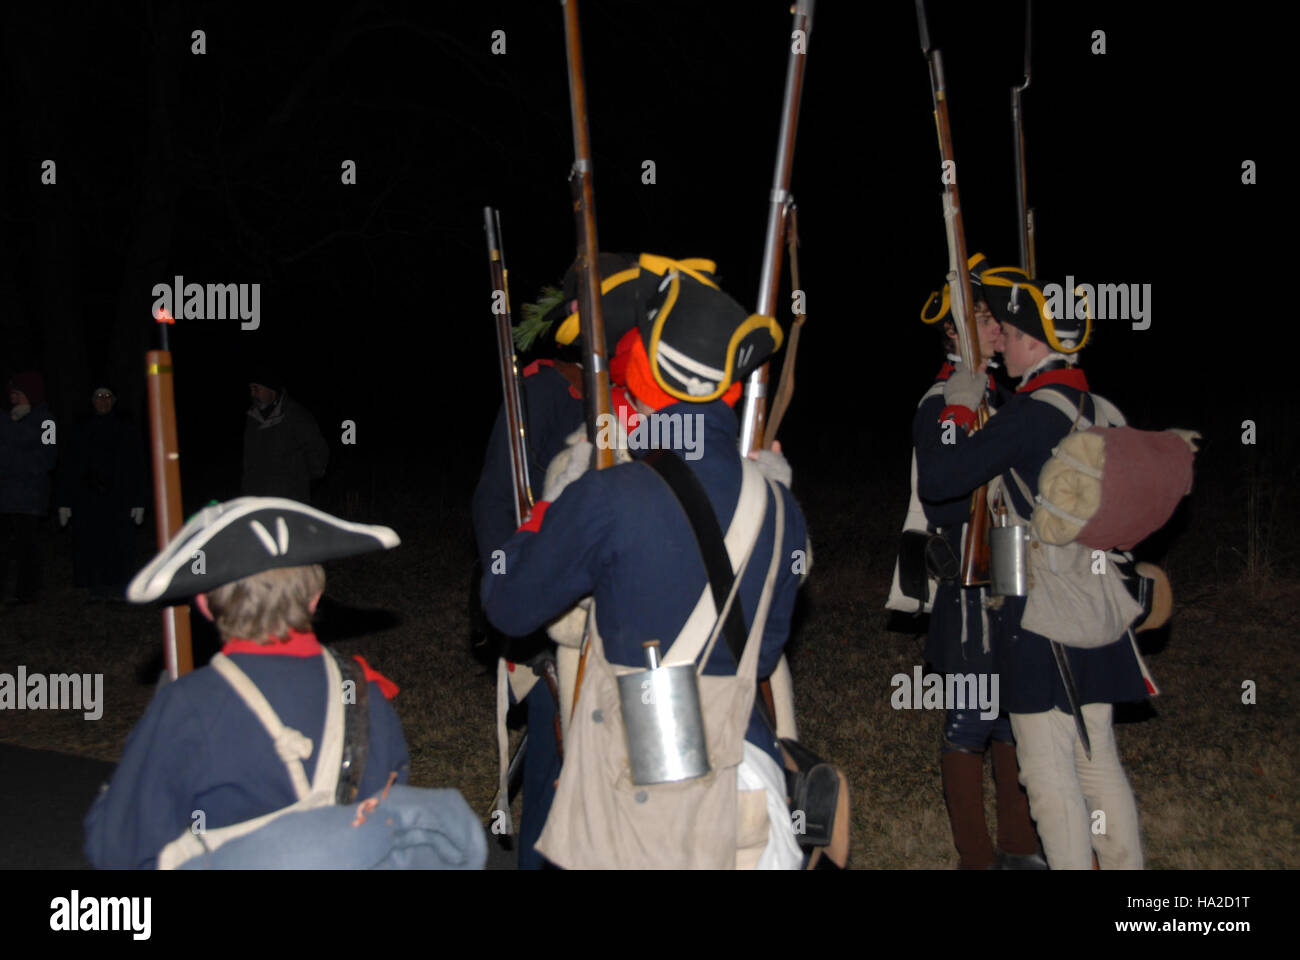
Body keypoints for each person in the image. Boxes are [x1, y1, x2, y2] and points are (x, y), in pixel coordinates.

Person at [482, 268, 807, 869]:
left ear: (648, 374)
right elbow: (760, 658)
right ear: (727, 390)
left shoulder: (607, 495)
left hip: (633, 800)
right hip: (744, 789)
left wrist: (549, 510)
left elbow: (506, 603)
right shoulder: (780, 503)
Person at [471, 251, 718, 868]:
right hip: (562, 625)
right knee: (560, 794)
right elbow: (495, 505)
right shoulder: (545, 391)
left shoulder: (654, 402)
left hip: (652, 635)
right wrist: (518, 598)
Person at [918, 267, 1152, 869]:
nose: (1002, 340)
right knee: (1097, 760)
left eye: (1009, 329)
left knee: (1048, 774)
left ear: (1032, 339)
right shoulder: (1103, 406)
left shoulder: (1029, 412)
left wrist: (956, 414)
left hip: (1043, 611)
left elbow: (943, 478)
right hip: (1100, 608)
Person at [83, 498, 435, 869]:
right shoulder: (366, 693)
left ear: (204, 604)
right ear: (315, 599)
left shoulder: (189, 705)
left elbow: (118, 849)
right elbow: (388, 824)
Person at [914, 255, 1043, 869]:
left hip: (1014, 575)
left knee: (1015, 716)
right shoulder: (942, 399)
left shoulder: (1008, 396)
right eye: (987, 320)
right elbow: (939, 491)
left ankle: (1019, 848)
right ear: (956, 332)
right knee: (972, 716)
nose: (999, 330)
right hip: (967, 582)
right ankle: (976, 857)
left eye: (997, 320)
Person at [56, 386, 148, 599]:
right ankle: (94, 587)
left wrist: (139, 500)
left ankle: (118, 587)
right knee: (90, 543)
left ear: (114, 401)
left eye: (107, 396)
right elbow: (69, 466)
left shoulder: (127, 429)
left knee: (119, 544)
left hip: (119, 499)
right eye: (99, 396)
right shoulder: (80, 430)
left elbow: (137, 466)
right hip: (88, 499)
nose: (103, 401)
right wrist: (64, 501)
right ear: (92, 400)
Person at [0, 371, 58, 604]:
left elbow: (48, 458)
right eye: (12, 393)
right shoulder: (4, 419)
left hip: (30, 498)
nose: (14, 398)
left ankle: (28, 593)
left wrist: (12, 461)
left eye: (19, 393)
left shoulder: (46, 422)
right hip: (4, 497)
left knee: (27, 547)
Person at [241, 372, 328, 503]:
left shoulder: (296, 416)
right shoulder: (252, 418)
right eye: (251, 389)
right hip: (256, 501)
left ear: (271, 389)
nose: (253, 394)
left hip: (289, 502)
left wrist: (296, 483)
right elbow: (248, 461)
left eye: (256, 388)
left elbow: (317, 457)